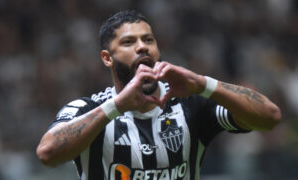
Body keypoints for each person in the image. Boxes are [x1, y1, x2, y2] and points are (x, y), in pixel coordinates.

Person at [36, 10, 281, 180]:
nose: (142, 46)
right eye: (128, 42)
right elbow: (47, 154)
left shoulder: (191, 106)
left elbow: (270, 116)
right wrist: (118, 105)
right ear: (107, 58)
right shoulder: (88, 109)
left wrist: (203, 84)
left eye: (148, 39)